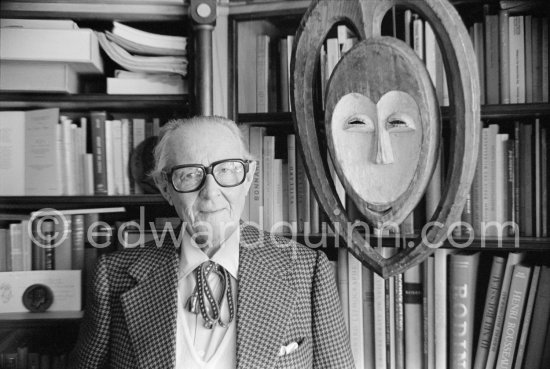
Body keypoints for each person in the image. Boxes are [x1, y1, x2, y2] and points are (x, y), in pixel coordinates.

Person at [69, 116, 354, 369]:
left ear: (248, 177)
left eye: (227, 170)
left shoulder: (308, 271)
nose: (211, 192)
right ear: (166, 188)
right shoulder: (112, 276)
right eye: (190, 174)